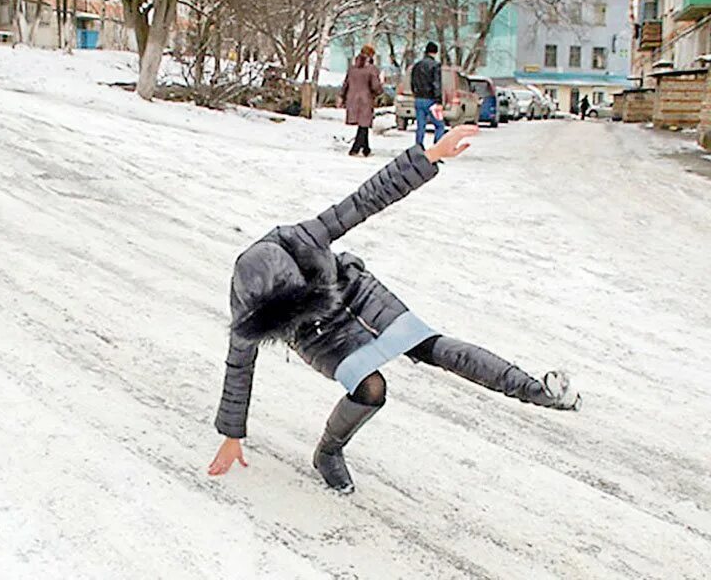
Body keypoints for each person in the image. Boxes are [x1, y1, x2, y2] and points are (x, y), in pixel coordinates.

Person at [208, 126, 582, 494]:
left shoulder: (304, 237)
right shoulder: (249, 305)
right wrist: (231, 434)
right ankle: (328, 452)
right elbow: (239, 366)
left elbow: (364, 200)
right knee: (371, 388)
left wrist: (430, 156)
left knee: (429, 345)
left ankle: (535, 390)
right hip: (315, 335)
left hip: (350, 290)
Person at [340, 45, 383, 157]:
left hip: (352, 98)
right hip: (365, 99)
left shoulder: (352, 69)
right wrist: (380, 90)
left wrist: (342, 97)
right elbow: (375, 86)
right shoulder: (372, 69)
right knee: (364, 124)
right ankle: (355, 148)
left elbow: (345, 84)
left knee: (363, 124)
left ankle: (366, 149)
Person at [411, 42, 447, 148]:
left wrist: (416, 93)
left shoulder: (417, 65)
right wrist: (439, 100)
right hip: (431, 101)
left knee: (420, 126)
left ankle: (418, 148)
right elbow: (436, 84)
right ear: (435, 52)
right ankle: (436, 149)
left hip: (418, 99)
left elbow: (412, 83)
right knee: (440, 126)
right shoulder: (435, 66)